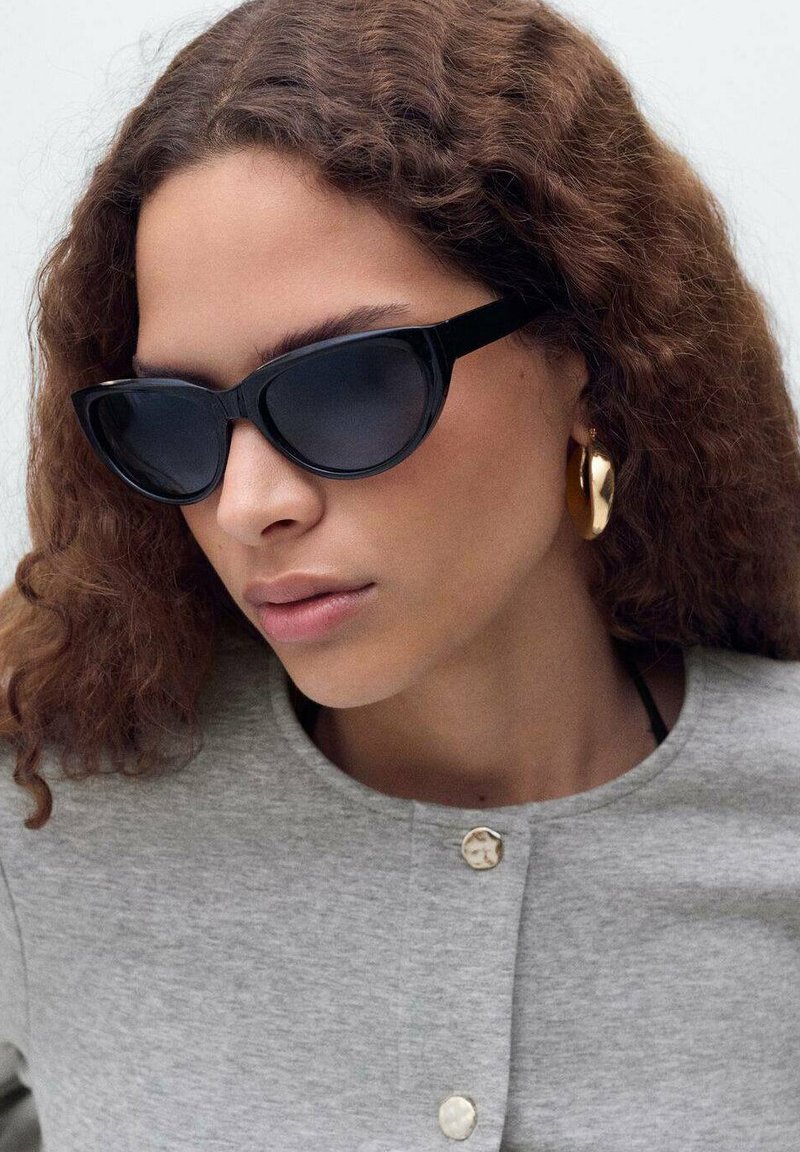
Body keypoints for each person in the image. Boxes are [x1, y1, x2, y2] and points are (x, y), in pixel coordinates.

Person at [1, 0, 799, 1148]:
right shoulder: (48, 826)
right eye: (173, 420)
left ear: (582, 355)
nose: (247, 504)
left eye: (347, 384)